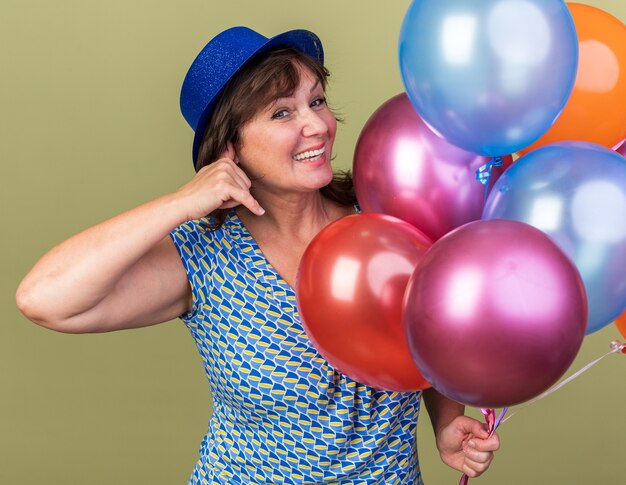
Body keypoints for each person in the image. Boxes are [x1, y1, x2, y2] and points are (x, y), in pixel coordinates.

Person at [16, 26, 499, 484]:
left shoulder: (387, 215)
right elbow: (44, 298)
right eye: (282, 113)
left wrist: (445, 421)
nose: (317, 125)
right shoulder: (203, 257)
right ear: (230, 147)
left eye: (316, 101)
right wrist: (181, 202)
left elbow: (430, 326)